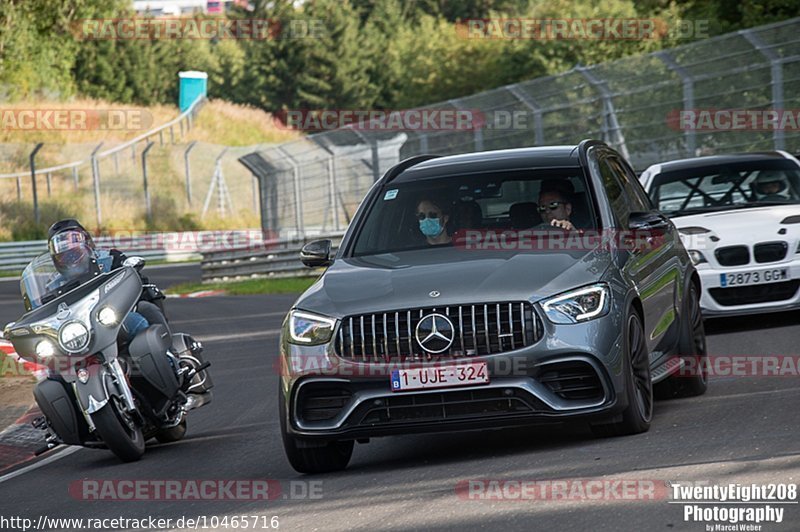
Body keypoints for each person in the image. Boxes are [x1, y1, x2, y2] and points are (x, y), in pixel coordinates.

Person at [46, 219, 162, 343]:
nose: (69, 251)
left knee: (140, 316)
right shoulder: (54, 283)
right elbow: (46, 310)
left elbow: (132, 277)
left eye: (74, 240)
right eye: (61, 245)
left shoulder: (110, 258)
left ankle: (168, 355)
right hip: (78, 330)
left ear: (86, 241)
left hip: (113, 315)